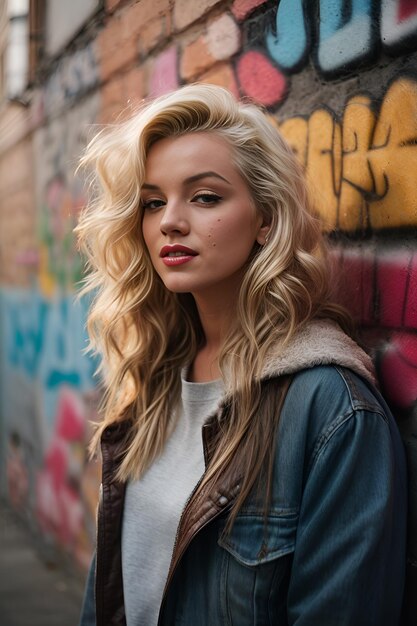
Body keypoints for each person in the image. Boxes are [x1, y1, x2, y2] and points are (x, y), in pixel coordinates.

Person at [76, 84, 407, 626]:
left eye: (204, 197)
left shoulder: (329, 409)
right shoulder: (154, 376)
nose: (170, 222)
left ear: (266, 220)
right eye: (154, 201)